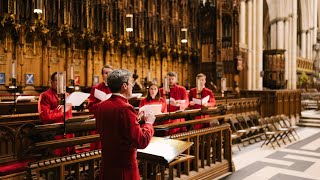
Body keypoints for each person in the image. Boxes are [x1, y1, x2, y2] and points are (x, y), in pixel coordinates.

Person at [96, 69, 155, 180]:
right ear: (124, 86)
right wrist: (149, 123)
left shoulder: (101, 106)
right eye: (130, 83)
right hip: (124, 170)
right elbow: (141, 141)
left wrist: (134, 119)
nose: (132, 85)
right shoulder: (125, 108)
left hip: (107, 167)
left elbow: (112, 128)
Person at [38, 72, 75, 156]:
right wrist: (60, 111)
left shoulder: (67, 95)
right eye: (57, 81)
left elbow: (69, 115)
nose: (61, 84)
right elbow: (44, 116)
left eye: (63, 82)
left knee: (69, 155)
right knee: (57, 156)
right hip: (54, 132)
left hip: (68, 130)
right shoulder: (45, 95)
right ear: (51, 82)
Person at [87, 65, 113, 150]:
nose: (108, 75)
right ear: (102, 75)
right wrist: (100, 105)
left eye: (110, 73)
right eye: (106, 73)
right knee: (97, 147)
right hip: (99, 121)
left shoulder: (116, 88)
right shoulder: (96, 88)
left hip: (112, 121)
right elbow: (90, 107)